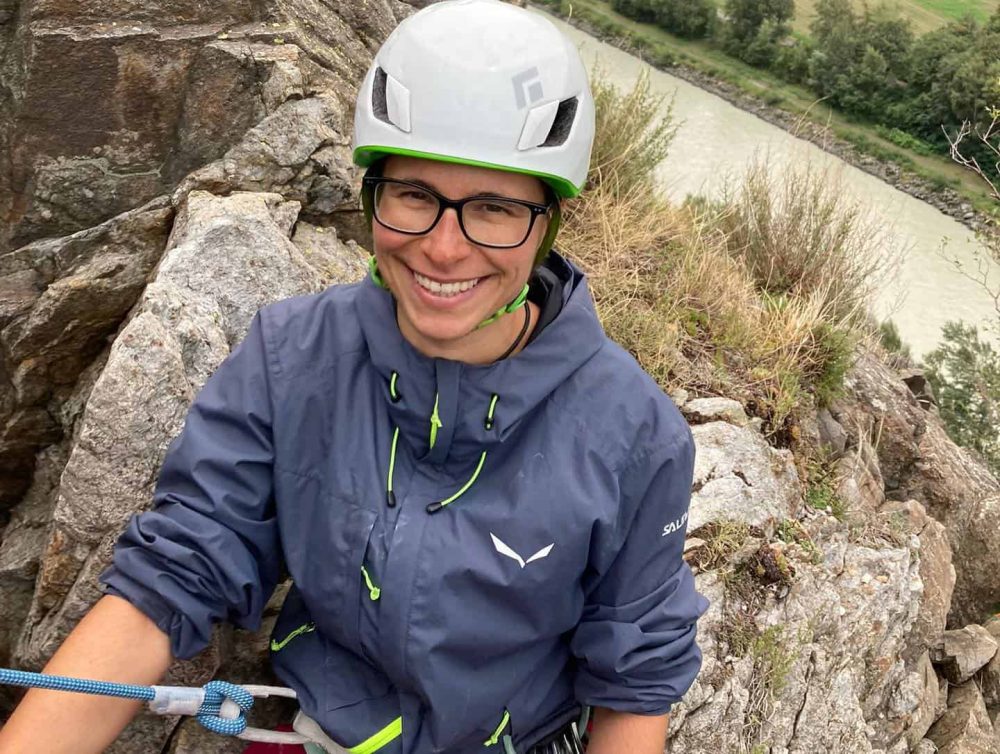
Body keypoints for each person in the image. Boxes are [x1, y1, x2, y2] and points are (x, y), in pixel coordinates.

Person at [0, 2, 707, 752]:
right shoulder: (294, 356)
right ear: (372, 195)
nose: (444, 248)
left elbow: (633, 684)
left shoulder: (634, 437)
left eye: (495, 208)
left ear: (547, 223)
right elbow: (174, 575)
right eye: (415, 196)